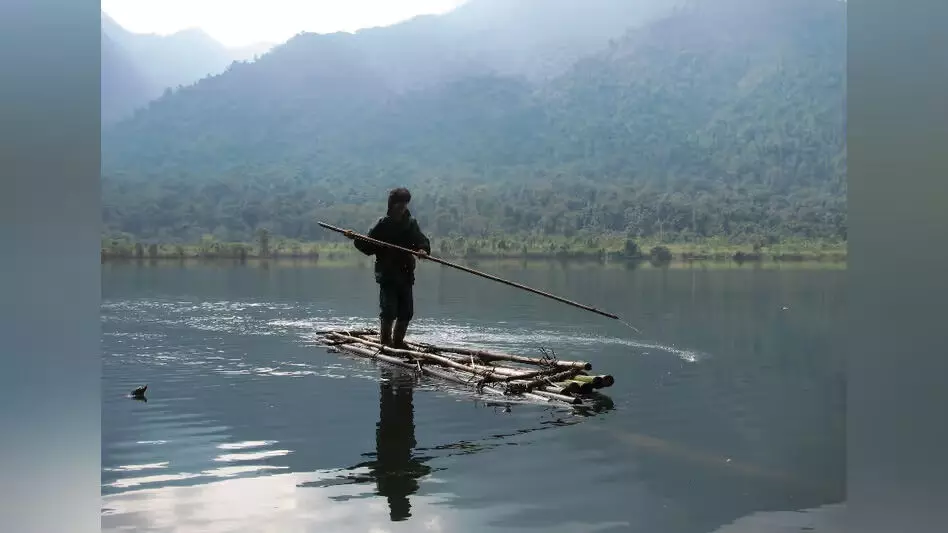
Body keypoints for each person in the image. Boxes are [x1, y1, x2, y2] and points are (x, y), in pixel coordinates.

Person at [344, 187, 430, 349]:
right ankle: (385, 342)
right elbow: (368, 246)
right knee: (389, 310)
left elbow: (421, 240)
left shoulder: (411, 224)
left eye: (405, 205)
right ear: (392, 206)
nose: (402, 209)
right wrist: (355, 237)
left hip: (405, 273)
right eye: (399, 206)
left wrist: (422, 250)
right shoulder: (382, 224)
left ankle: (398, 342)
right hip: (388, 274)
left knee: (406, 311)